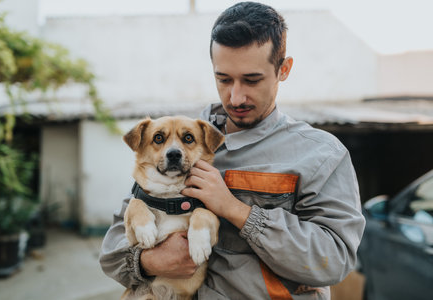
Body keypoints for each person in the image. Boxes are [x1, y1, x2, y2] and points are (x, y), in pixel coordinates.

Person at [100, 2, 365, 299]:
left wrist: (235, 210)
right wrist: (151, 261)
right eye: (223, 79)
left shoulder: (320, 154)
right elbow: (111, 254)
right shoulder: (180, 144)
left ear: (284, 69)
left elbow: (334, 260)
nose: (235, 96)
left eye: (252, 80)